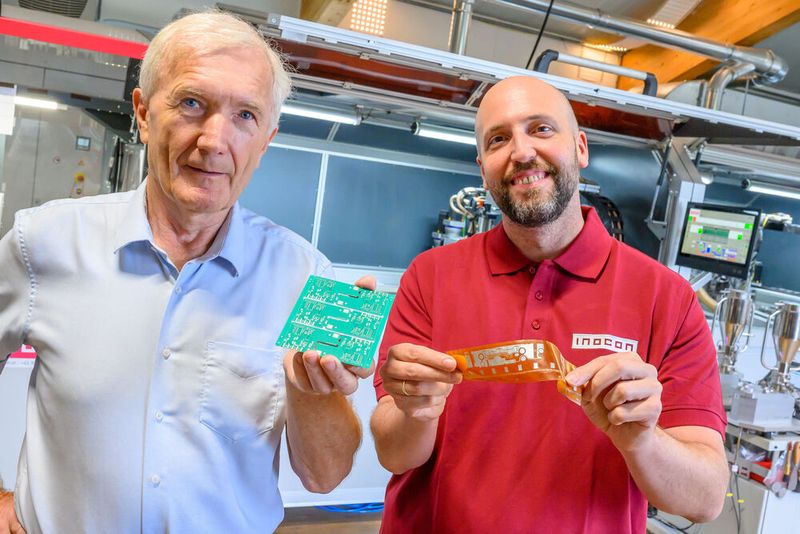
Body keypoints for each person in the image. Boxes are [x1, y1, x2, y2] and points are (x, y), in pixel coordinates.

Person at [0, 10, 374, 534]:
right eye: (192, 103)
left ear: (266, 140)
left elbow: (327, 477)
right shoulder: (41, 241)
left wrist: (312, 392)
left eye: (245, 115)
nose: (215, 141)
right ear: (144, 113)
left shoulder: (315, 279)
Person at [370, 76, 729, 533]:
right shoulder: (429, 275)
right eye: (499, 139)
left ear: (580, 147)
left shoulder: (667, 298)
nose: (521, 152)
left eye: (541, 129)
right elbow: (394, 454)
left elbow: (705, 499)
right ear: (482, 168)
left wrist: (642, 441)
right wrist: (414, 411)